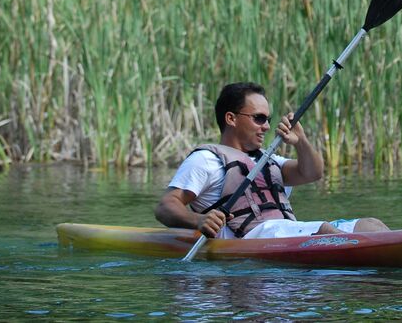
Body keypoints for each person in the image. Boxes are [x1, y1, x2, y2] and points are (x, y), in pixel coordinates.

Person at [155, 82, 390, 239]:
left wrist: (301, 141)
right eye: (258, 118)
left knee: (371, 225)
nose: (266, 126)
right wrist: (198, 220)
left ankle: (399, 250)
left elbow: (313, 173)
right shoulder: (205, 160)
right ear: (231, 118)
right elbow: (166, 206)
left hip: (283, 232)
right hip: (250, 238)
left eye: (268, 119)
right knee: (324, 231)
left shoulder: (268, 159)